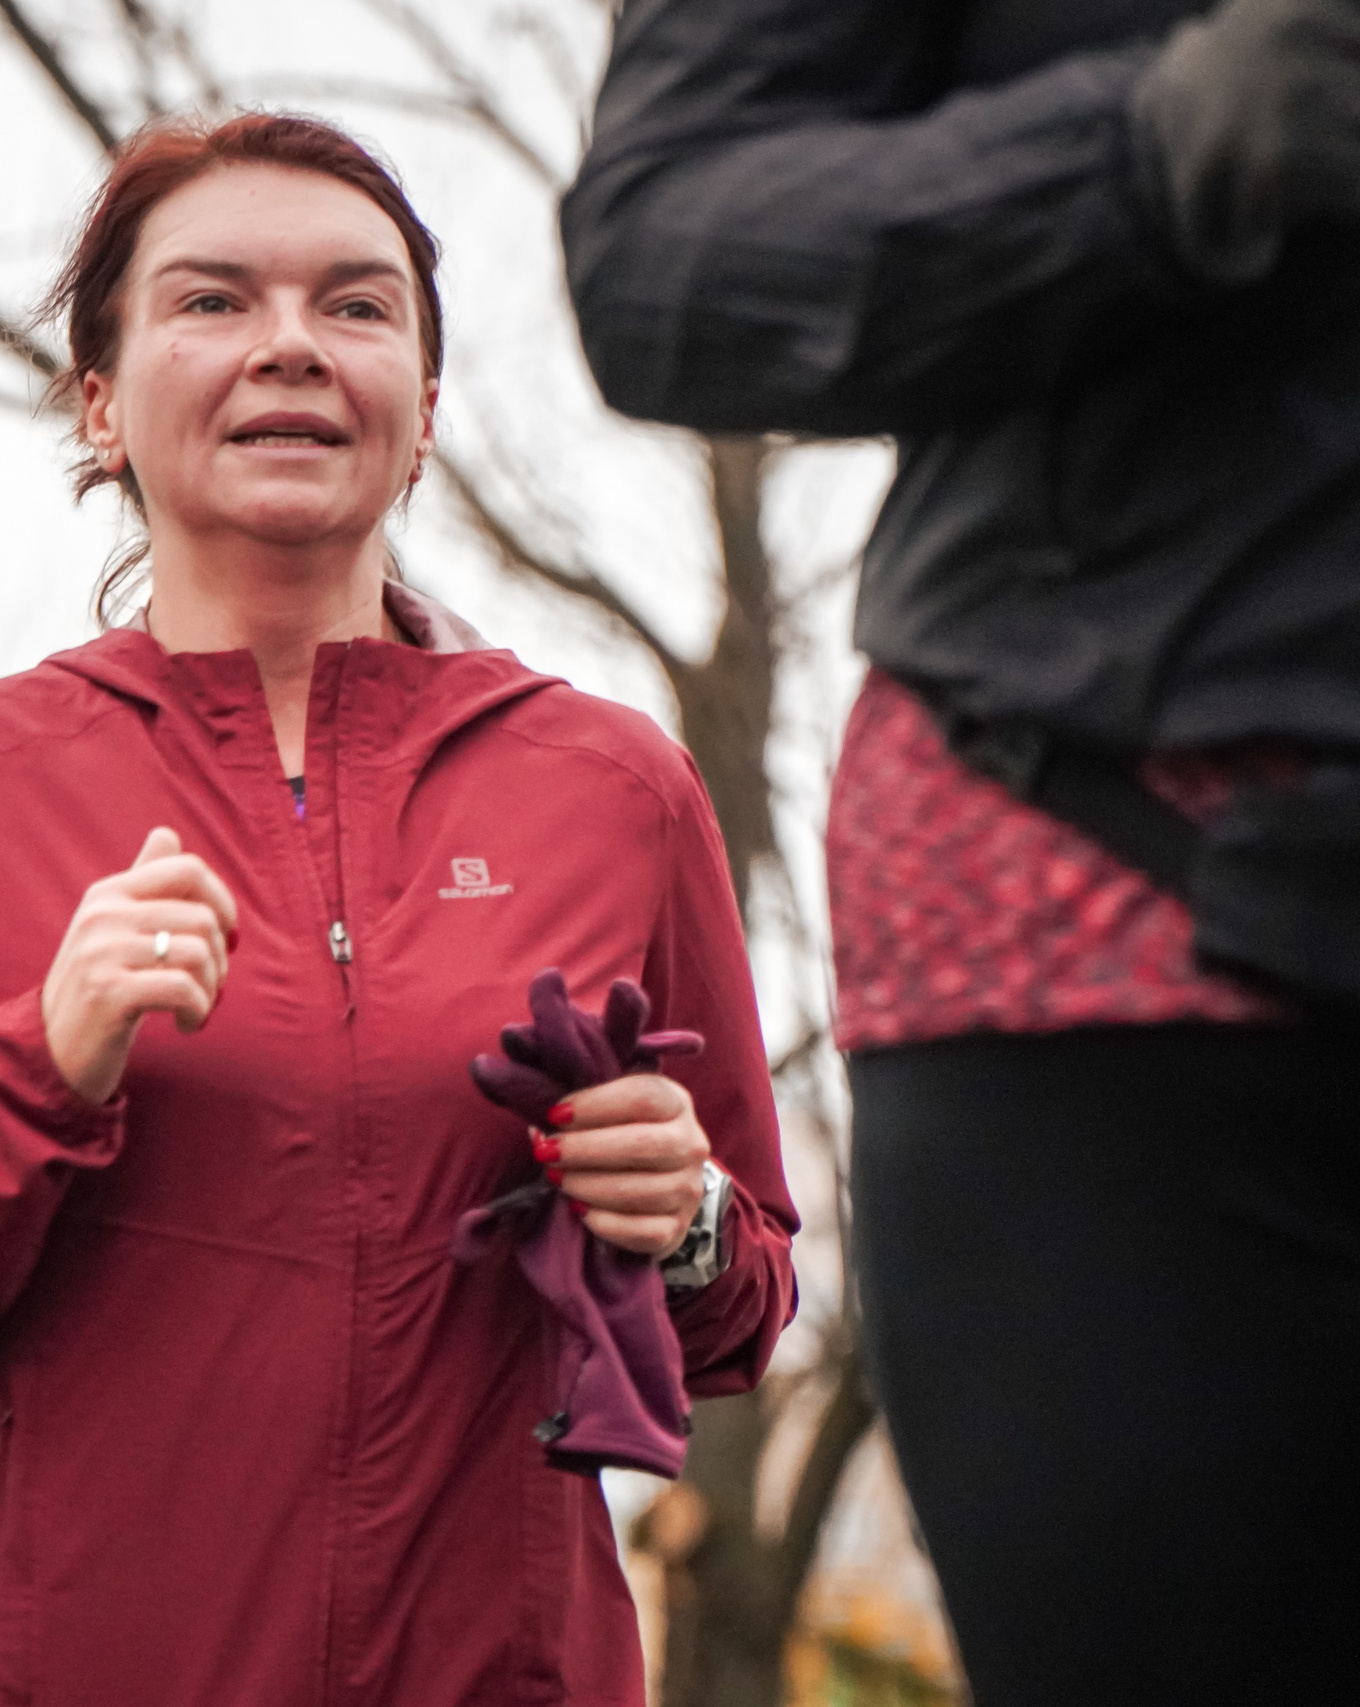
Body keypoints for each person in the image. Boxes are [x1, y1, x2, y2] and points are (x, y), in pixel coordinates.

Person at [0, 112, 798, 1705]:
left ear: (424, 410)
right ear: (101, 399)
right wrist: (31, 1069)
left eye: (356, 304)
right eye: (212, 299)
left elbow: (740, 1316)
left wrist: (686, 1221)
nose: (291, 344)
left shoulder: (612, 789)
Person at [560, 2, 1360, 1701]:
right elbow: (669, 256)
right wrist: (1157, 142)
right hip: (1120, 893)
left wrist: (700, 1232)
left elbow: (733, 1276)